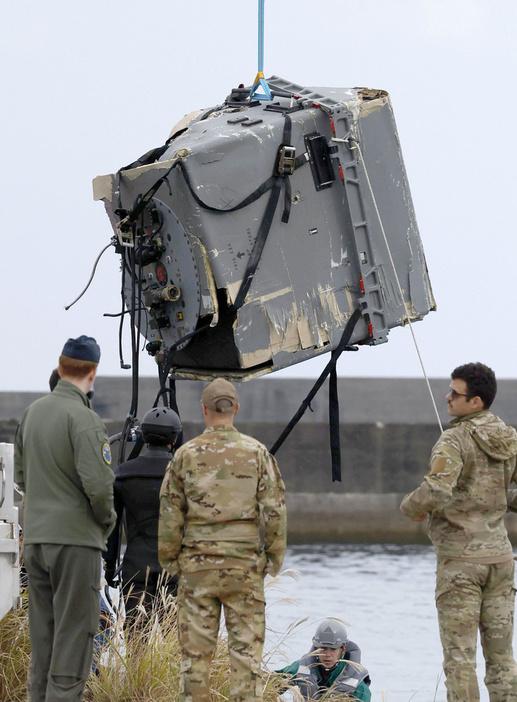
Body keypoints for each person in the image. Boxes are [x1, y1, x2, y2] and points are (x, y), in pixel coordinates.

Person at [159, 378, 287, 702]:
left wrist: (171, 559)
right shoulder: (257, 453)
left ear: (204, 410)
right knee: (246, 662)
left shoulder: (185, 456)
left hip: (197, 568)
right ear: (236, 409)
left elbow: (170, 513)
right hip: (244, 568)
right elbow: (275, 510)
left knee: (195, 663)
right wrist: (271, 559)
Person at [400, 362, 517, 701]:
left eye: (455, 393)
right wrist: (496, 497)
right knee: (502, 658)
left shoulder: (454, 439)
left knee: (459, 658)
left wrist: (410, 507)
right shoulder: (509, 437)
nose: (447, 397)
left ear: (476, 401)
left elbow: (436, 491)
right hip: (500, 561)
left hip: (460, 566)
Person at [14, 335, 116, 702]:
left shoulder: (32, 414)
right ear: (93, 373)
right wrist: (105, 525)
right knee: (74, 643)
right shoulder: (85, 420)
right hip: (75, 544)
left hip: (37, 543)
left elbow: (22, 479)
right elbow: (101, 491)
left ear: (60, 367)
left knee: (43, 642)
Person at [104, 406, 182, 630]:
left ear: (145, 436)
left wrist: (110, 567)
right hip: (177, 574)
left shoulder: (123, 473)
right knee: (175, 649)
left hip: (136, 570)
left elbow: (112, 527)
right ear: (174, 438)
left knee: (137, 644)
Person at [276, 619, 371, 701]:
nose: (327, 655)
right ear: (316, 647)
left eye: (333, 649)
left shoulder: (357, 683)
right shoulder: (303, 667)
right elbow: (273, 682)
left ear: (343, 649)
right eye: (323, 648)